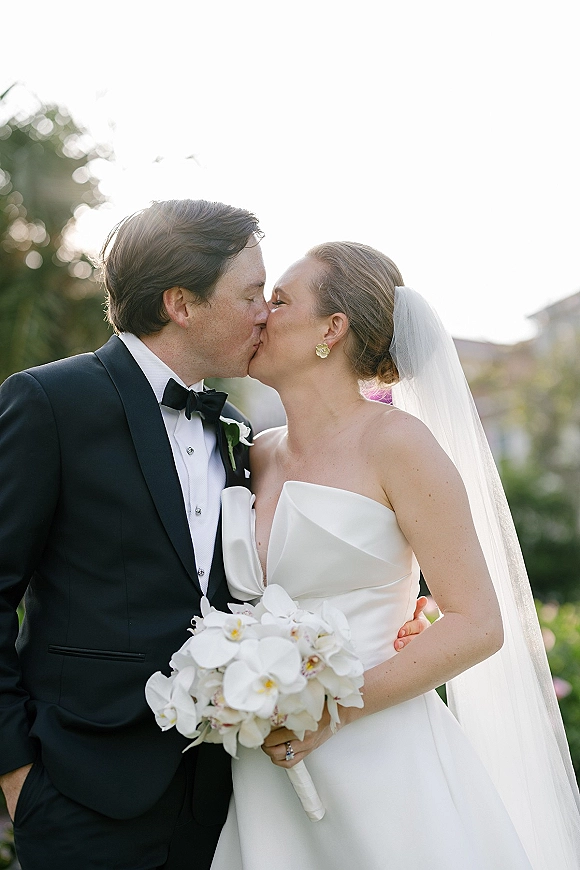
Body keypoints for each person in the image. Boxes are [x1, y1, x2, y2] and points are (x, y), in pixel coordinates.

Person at [0, 201, 426, 870]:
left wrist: (410, 617)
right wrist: (17, 779)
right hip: (80, 793)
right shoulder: (51, 402)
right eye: (251, 293)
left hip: (224, 797)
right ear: (182, 304)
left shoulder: (234, 431)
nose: (264, 311)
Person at [210, 242, 580, 869]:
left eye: (279, 301)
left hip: (380, 755)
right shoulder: (253, 452)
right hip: (260, 765)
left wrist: (330, 713)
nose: (259, 315)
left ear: (333, 328)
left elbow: (477, 623)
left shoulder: (399, 446)